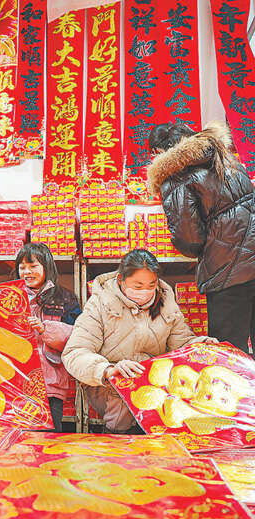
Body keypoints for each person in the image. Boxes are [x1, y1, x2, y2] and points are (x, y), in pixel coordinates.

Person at [62, 249, 216, 434]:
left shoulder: (166, 302)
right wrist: (108, 370)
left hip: (154, 383)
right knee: (123, 411)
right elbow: (75, 352)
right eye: (138, 286)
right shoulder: (100, 304)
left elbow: (181, 342)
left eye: (151, 285)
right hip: (110, 385)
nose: (145, 291)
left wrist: (201, 345)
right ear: (121, 280)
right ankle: (117, 441)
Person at [147, 120, 255, 354]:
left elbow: (189, 238)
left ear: (159, 152)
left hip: (229, 271)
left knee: (229, 352)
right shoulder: (226, 159)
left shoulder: (176, 176)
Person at [14, 242, 81, 432]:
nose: (27, 272)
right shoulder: (10, 297)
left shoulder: (64, 299)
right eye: (22, 267)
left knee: (49, 439)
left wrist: (45, 329)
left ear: (47, 267)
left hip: (50, 386)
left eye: (33, 266)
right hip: (17, 383)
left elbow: (76, 338)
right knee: (19, 441)